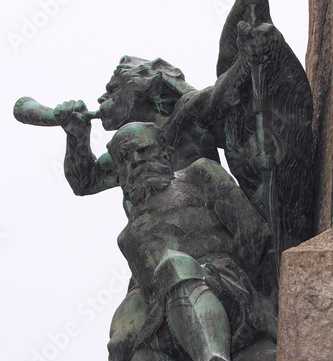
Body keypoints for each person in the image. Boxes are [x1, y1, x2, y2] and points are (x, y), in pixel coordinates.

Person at [54, 0, 313, 249]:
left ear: (144, 88)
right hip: (156, 247)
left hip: (212, 245)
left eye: (112, 89)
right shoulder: (132, 152)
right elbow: (85, 182)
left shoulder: (185, 116)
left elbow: (221, 96)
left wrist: (246, 60)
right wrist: (76, 136)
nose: (102, 98)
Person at [104, 121, 276, 361]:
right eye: (127, 156)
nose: (138, 160)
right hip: (169, 320)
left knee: (175, 265)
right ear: (121, 171)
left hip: (231, 289)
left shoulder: (200, 175)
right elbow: (147, 296)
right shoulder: (127, 238)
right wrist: (123, 339)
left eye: (145, 150)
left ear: (166, 152)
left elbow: (253, 232)